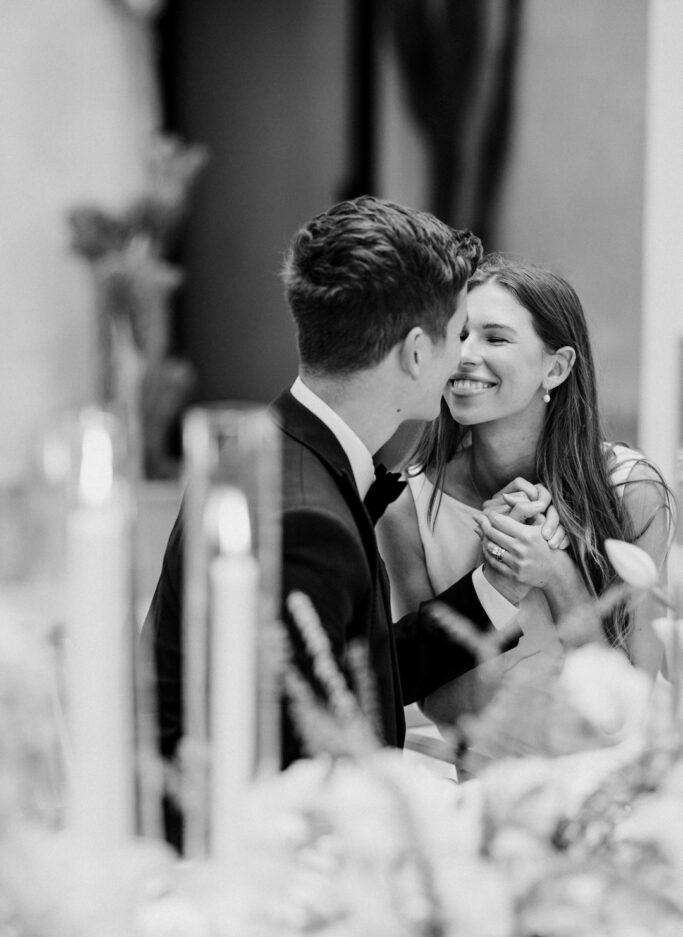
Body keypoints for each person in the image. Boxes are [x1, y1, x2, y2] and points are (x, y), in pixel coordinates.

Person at [148, 198, 550, 803]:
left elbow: (359, 672)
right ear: (417, 352)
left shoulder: (270, 447)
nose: (462, 358)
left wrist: (494, 588)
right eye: (458, 334)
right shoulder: (308, 518)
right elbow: (313, 768)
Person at [377, 253, 674, 730]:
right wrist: (497, 581)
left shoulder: (633, 492)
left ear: (555, 368)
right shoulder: (407, 511)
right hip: (479, 781)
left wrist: (555, 573)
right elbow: (444, 708)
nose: (464, 354)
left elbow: (630, 704)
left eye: (495, 337)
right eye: (459, 335)